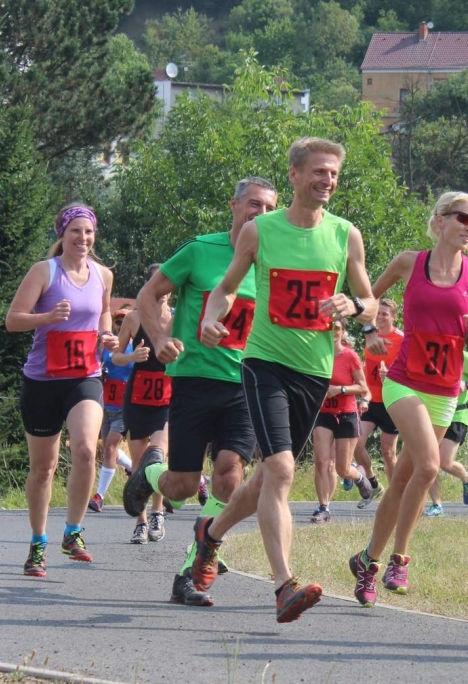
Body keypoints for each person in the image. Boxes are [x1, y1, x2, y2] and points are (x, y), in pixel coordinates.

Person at [169, 137, 376, 622]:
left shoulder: (346, 235)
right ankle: (284, 586)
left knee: (263, 478)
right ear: (295, 176)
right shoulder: (260, 231)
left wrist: (355, 305)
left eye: (334, 174)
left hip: (314, 372)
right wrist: (210, 319)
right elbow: (222, 291)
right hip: (264, 365)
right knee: (281, 471)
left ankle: (210, 536)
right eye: (319, 172)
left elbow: (369, 301)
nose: (327, 181)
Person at [123, 177, 278, 605]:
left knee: (230, 477)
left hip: (246, 384)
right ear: (234, 206)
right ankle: (149, 472)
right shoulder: (200, 250)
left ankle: (192, 569)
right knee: (182, 486)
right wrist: (158, 340)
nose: (259, 215)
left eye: (268, 208)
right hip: (194, 381)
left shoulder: (274, 260)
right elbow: (148, 295)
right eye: (252, 205)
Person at [349, 191, 468, 607]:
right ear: (440, 220)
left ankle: (368, 562)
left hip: (446, 388)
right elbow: (369, 298)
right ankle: (400, 558)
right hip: (403, 381)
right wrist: (370, 333)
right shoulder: (408, 262)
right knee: (431, 465)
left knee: (405, 478)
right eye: (463, 218)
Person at [6, 203, 118, 577]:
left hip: (84, 375)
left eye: (88, 233)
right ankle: (38, 543)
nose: (83, 239)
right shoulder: (44, 271)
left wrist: (107, 335)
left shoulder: (103, 274)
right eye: (75, 232)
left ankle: (72, 532)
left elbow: (103, 313)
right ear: (63, 235)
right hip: (42, 381)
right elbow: (13, 320)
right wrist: (47, 318)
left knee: (87, 449)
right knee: (43, 469)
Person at [114, 264, 173, 544]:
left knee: (158, 458)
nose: (161, 292)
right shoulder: (134, 318)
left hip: (167, 396)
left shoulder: (177, 318)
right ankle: (140, 521)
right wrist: (132, 357)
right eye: (156, 285)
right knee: (139, 461)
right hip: (138, 396)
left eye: (166, 286)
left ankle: (158, 514)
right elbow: (115, 357)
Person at [311, 318, 371, 523]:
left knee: (341, 468)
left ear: (343, 332)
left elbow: (363, 387)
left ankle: (359, 477)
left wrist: (340, 390)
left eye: (337, 328)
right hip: (323, 414)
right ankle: (323, 507)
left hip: (346, 414)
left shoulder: (350, 357)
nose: (333, 331)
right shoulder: (318, 354)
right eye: (329, 327)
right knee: (321, 462)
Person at [422, 350, 468, 517]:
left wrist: (466, 385)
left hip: (456, 415)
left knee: (445, 462)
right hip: (432, 415)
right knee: (430, 462)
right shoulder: (426, 354)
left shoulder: (462, 356)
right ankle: (437, 505)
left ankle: (467, 478)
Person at [354, 298, 404, 504]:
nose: (381, 317)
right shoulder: (370, 335)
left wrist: (391, 374)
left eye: (385, 314)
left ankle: (396, 495)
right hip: (371, 399)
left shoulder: (401, 339)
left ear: (393, 317)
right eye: (378, 313)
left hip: (391, 399)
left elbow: (410, 368)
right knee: (356, 444)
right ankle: (374, 484)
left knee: (388, 451)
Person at [88, 308, 134, 513]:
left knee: (109, 449)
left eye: (125, 321)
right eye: (117, 322)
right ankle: (134, 468)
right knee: (110, 450)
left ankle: (100, 496)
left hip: (124, 408)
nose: (121, 326)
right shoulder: (105, 348)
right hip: (106, 405)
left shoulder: (137, 347)